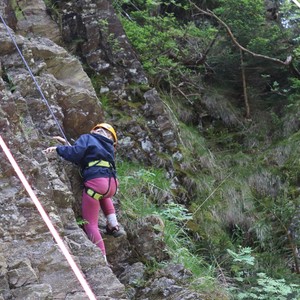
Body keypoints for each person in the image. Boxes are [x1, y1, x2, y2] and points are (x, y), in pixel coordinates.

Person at [44, 123, 125, 264]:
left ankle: (102, 259)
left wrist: (58, 149)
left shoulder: (87, 137)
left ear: (94, 131)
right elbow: (87, 153)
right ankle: (113, 224)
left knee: (90, 224)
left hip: (97, 183)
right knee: (103, 195)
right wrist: (68, 145)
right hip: (111, 184)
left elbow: (77, 154)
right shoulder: (109, 147)